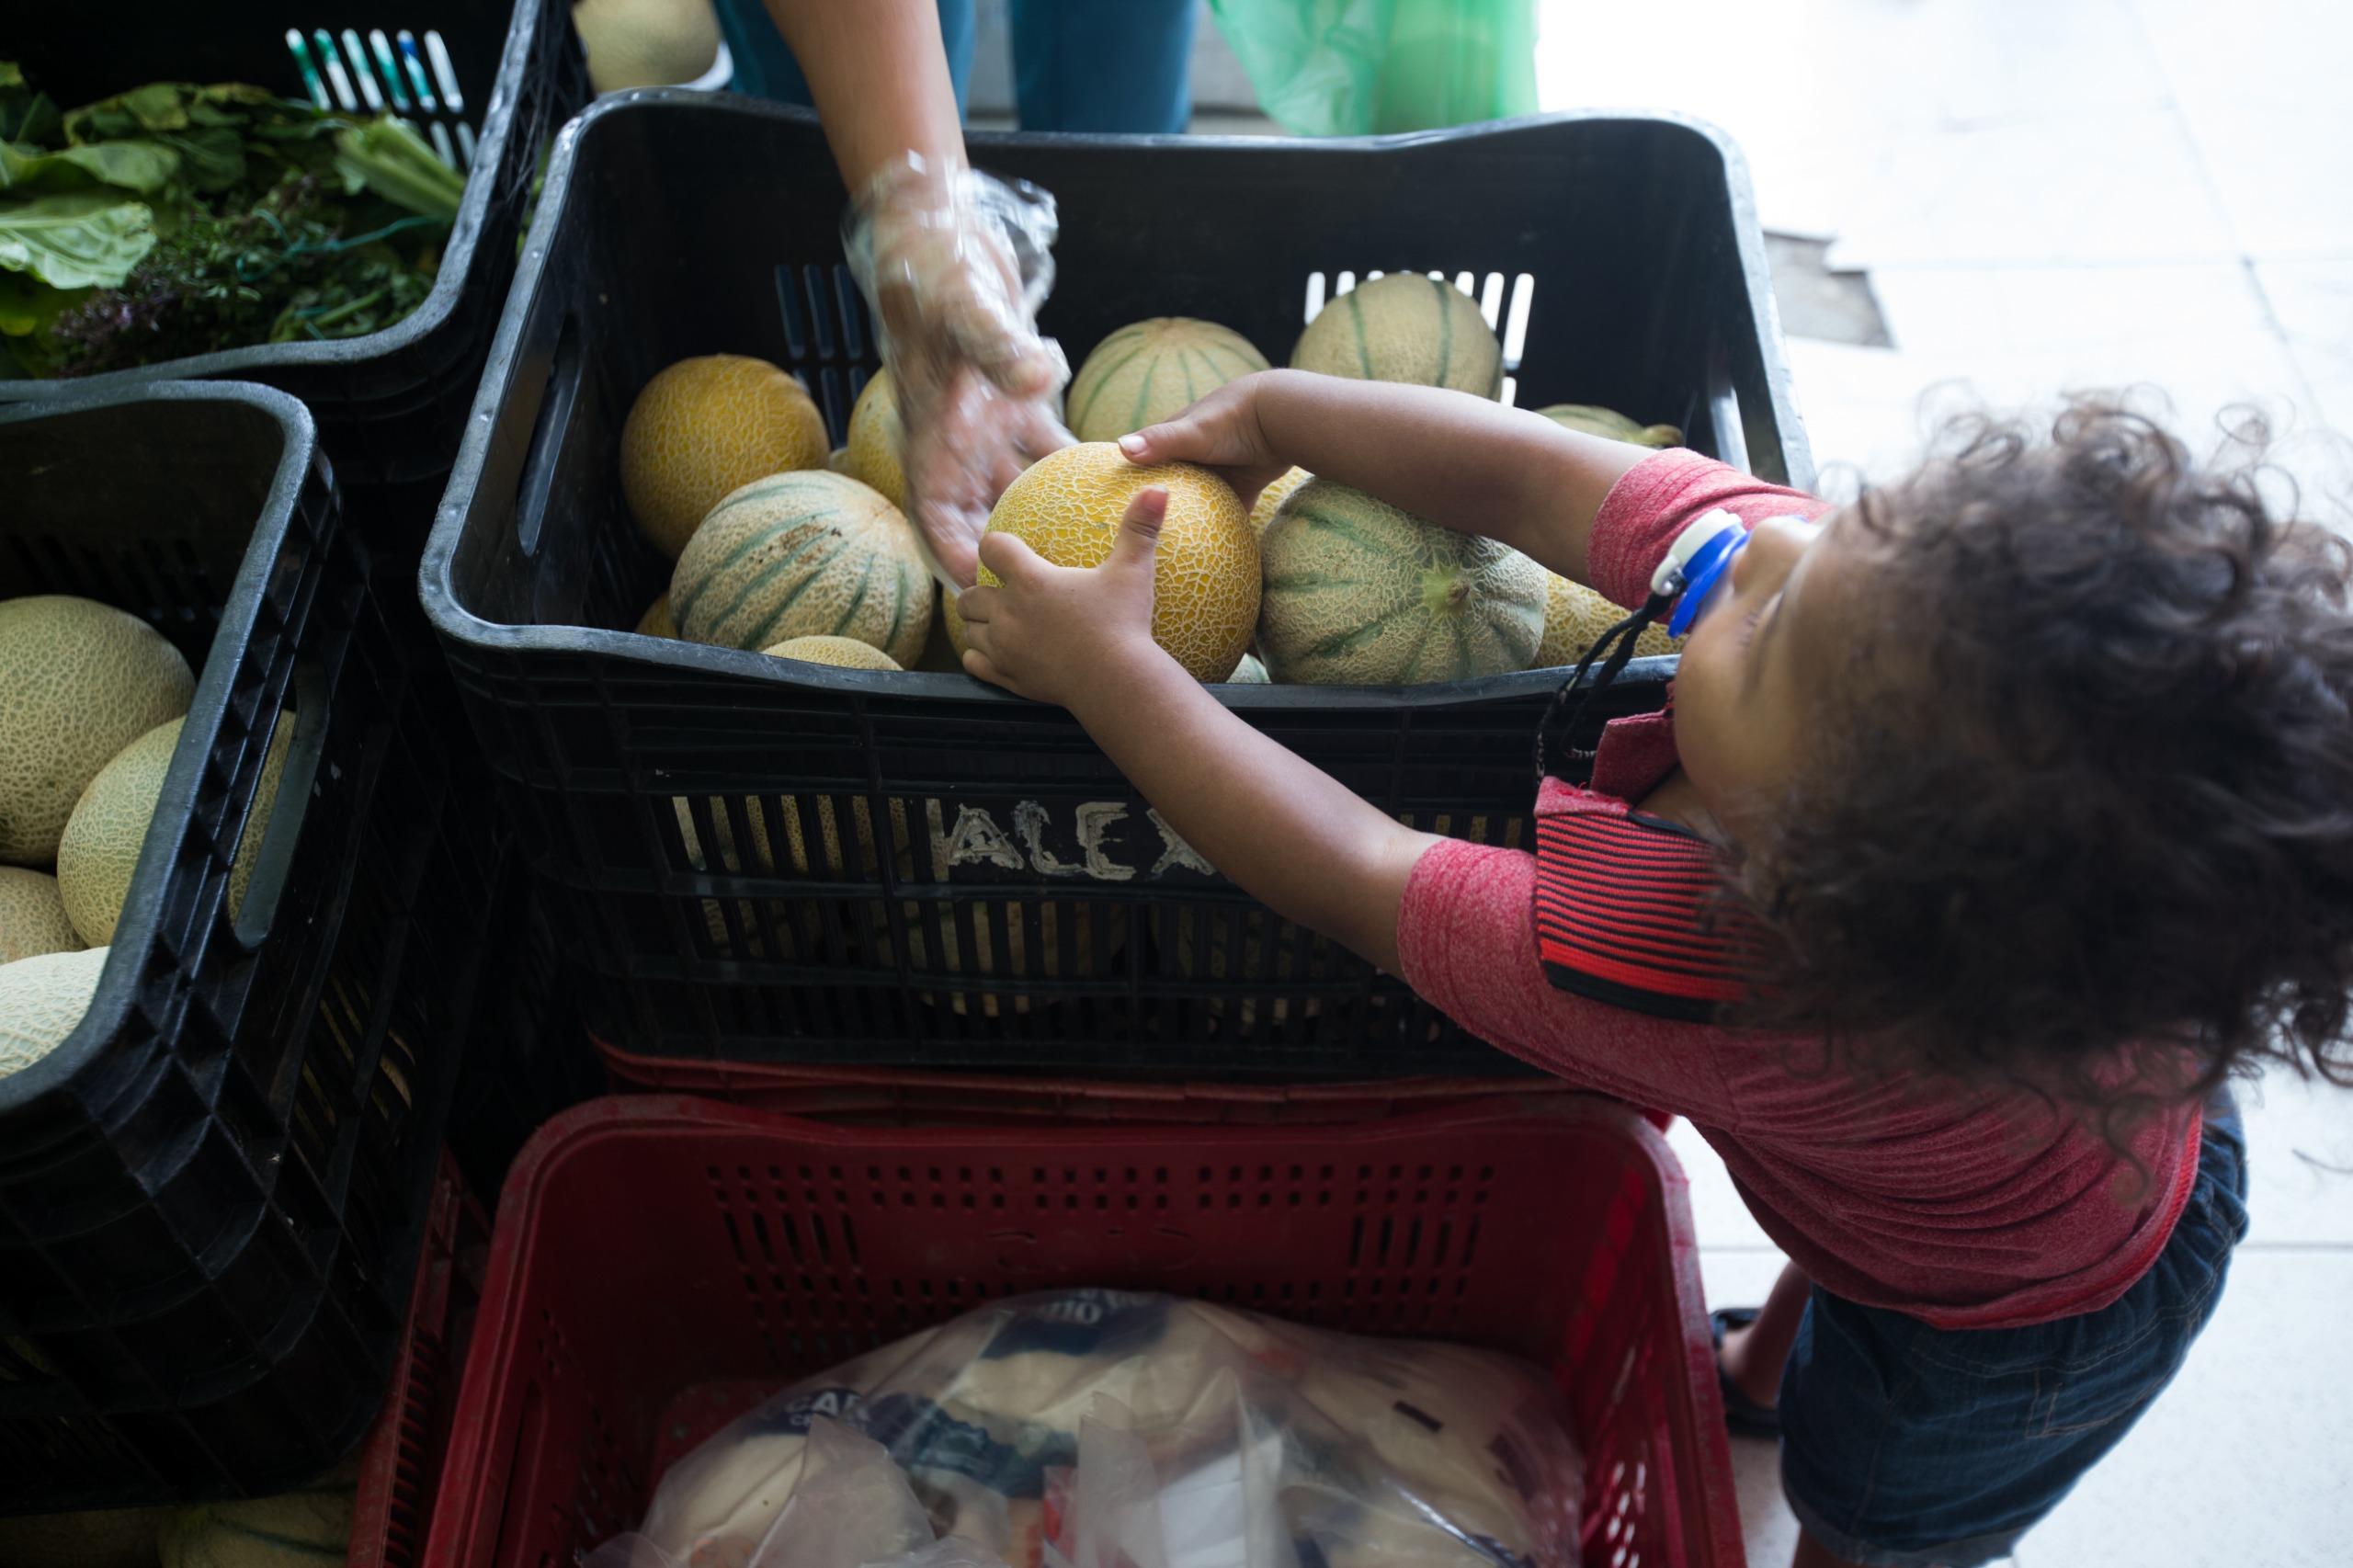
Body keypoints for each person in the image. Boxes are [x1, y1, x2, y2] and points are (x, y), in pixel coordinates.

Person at [949, 368, 2353, 1567]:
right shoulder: (1864, 626)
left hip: (2023, 1322)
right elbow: (1542, 477)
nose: (1771, 545)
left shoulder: (1706, 978)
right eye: (1867, 519)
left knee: (1869, 1494)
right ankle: (1762, 1367)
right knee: (1860, 1217)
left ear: (1798, 867)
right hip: (2018, 1146)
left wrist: (1115, 673)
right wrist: (1279, 412)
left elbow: (1359, 871)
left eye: (1775, 630)